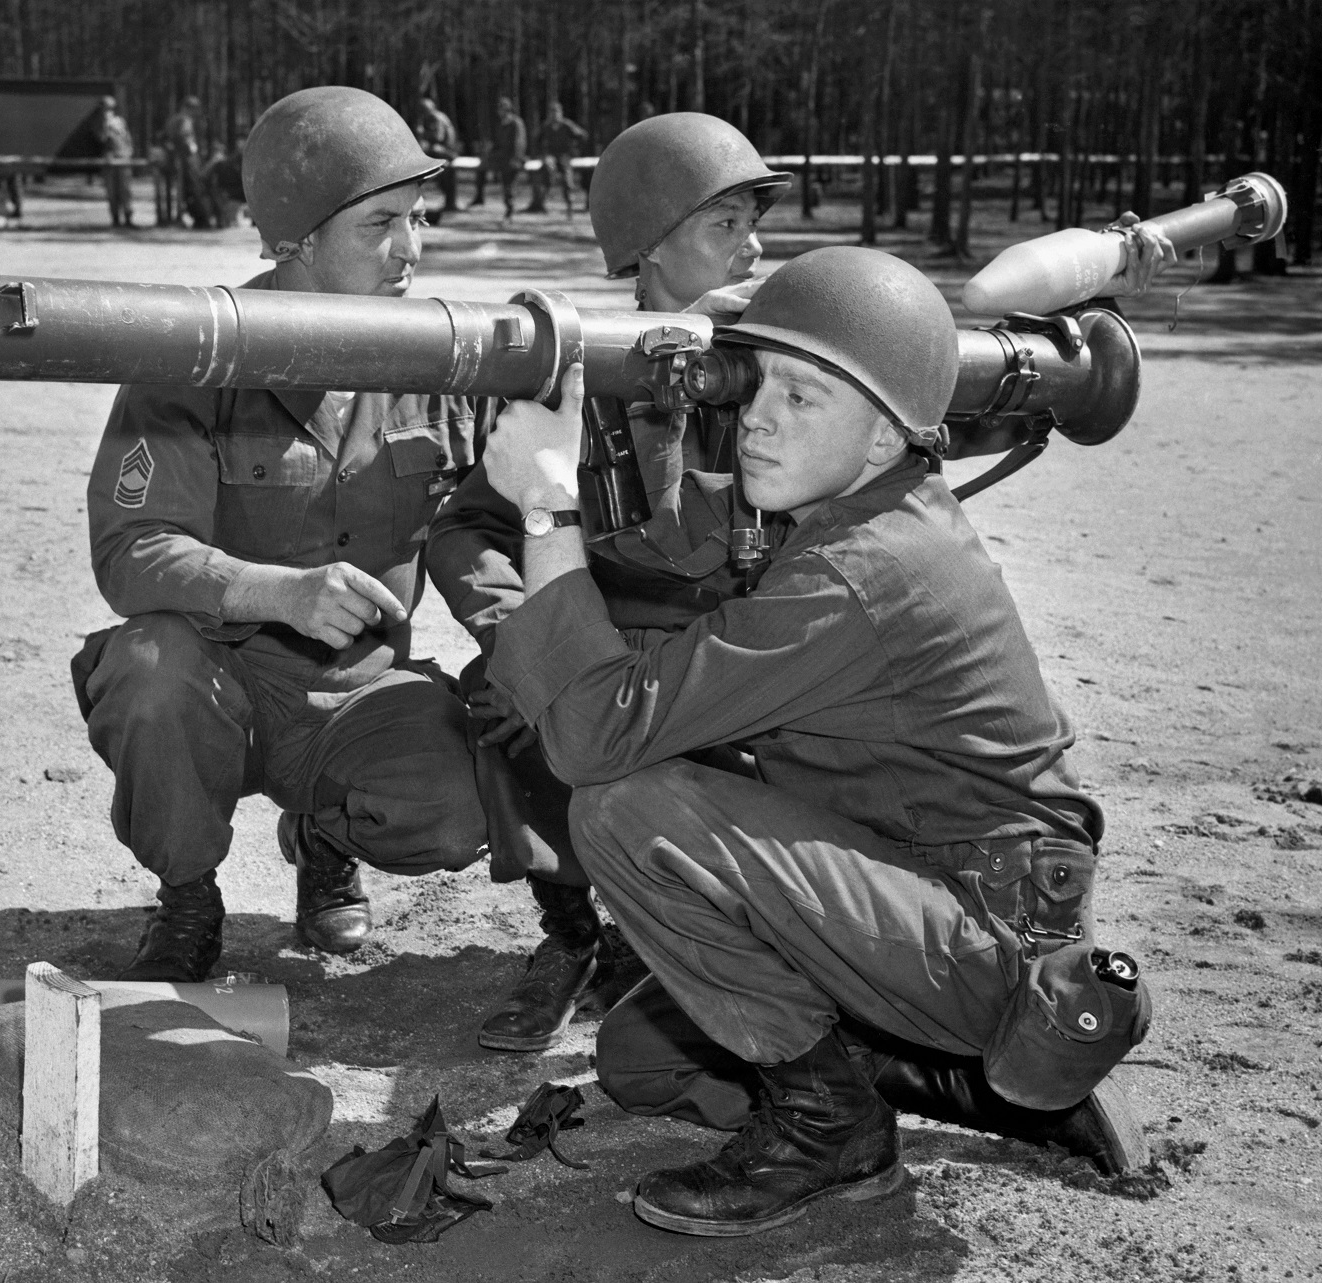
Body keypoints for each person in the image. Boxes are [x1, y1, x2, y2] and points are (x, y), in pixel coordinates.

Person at [473, 246, 1144, 1235]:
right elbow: (655, 589)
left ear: (885, 435)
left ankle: (837, 1131)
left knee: (622, 806)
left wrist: (543, 501)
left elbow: (596, 736)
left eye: (802, 395)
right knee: (643, 1063)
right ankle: (993, 1080)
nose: (757, 418)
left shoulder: (860, 567)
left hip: (984, 917)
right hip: (922, 877)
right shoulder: (851, 507)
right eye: (757, 387)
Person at [73, 86, 488, 980]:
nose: (411, 250)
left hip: (356, 688)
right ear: (298, 236)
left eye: (416, 220)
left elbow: (479, 524)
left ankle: (322, 836)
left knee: (460, 803)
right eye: (382, 223)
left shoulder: (433, 356)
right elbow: (132, 546)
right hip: (216, 674)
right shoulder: (194, 356)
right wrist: (278, 590)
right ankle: (189, 891)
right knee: (149, 676)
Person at [425, 113, 789, 1052]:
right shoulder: (575, 374)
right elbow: (471, 523)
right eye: (726, 226)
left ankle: (681, 935)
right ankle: (575, 934)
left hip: (724, 668)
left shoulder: (779, 373)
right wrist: (515, 638)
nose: (755, 247)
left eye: (754, 224)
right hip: (598, 651)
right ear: (649, 247)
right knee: (513, 698)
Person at [529, 101, 587, 215]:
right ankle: (542, 200)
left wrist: (575, 149)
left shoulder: (567, 125)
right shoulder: (546, 126)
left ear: (561, 112)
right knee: (547, 171)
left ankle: (569, 203)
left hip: (564, 155)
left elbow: (582, 135)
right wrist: (541, 153)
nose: (554, 115)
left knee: (567, 178)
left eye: (556, 112)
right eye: (552, 112)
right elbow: (536, 140)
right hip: (551, 156)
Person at [163, 95, 209, 228]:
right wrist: (192, 153)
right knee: (193, 189)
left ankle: (192, 217)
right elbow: (184, 139)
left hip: (180, 159)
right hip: (186, 160)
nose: (196, 112)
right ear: (187, 108)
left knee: (186, 190)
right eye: (194, 108)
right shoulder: (184, 120)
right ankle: (199, 219)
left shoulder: (175, 119)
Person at [414, 96, 461, 220]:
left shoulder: (435, 117)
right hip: (447, 151)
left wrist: (422, 132)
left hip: (447, 152)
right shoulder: (438, 116)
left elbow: (438, 137)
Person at [94, 95, 135, 229]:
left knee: (126, 190)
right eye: (106, 107)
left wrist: (129, 151)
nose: (109, 110)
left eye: (111, 107)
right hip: (110, 160)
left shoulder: (120, 121)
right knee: (112, 191)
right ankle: (115, 219)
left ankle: (128, 218)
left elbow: (127, 138)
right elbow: (101, 138)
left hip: (123, 159)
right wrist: (106, 124)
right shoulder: (98, 123)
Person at [489, 97, 527, 220]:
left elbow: (519, 142)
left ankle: (509, 211)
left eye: (503, 108)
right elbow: (497, 143)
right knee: (505, 185)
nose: (501, 111)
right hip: (502, 159)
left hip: (512, 159)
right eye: (499, 108)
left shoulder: (516, 123)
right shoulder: (500, 124)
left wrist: (516, 159)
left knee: (510, 185)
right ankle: (508, 209)